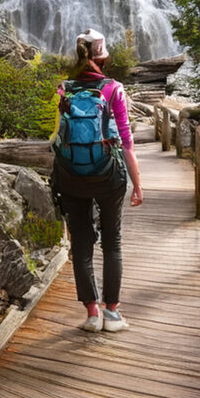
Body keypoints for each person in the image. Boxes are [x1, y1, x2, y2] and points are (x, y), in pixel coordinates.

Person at [52, 29, 143, 333]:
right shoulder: (114, 89)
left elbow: (57, 136)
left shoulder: (63, 88)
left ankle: (92, 314)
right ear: (102, 57)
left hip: (71, 174)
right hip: (109, 175)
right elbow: (126, 141)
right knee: (112, 241)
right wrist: (138, 183)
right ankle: (113, 314)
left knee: (80, 241)